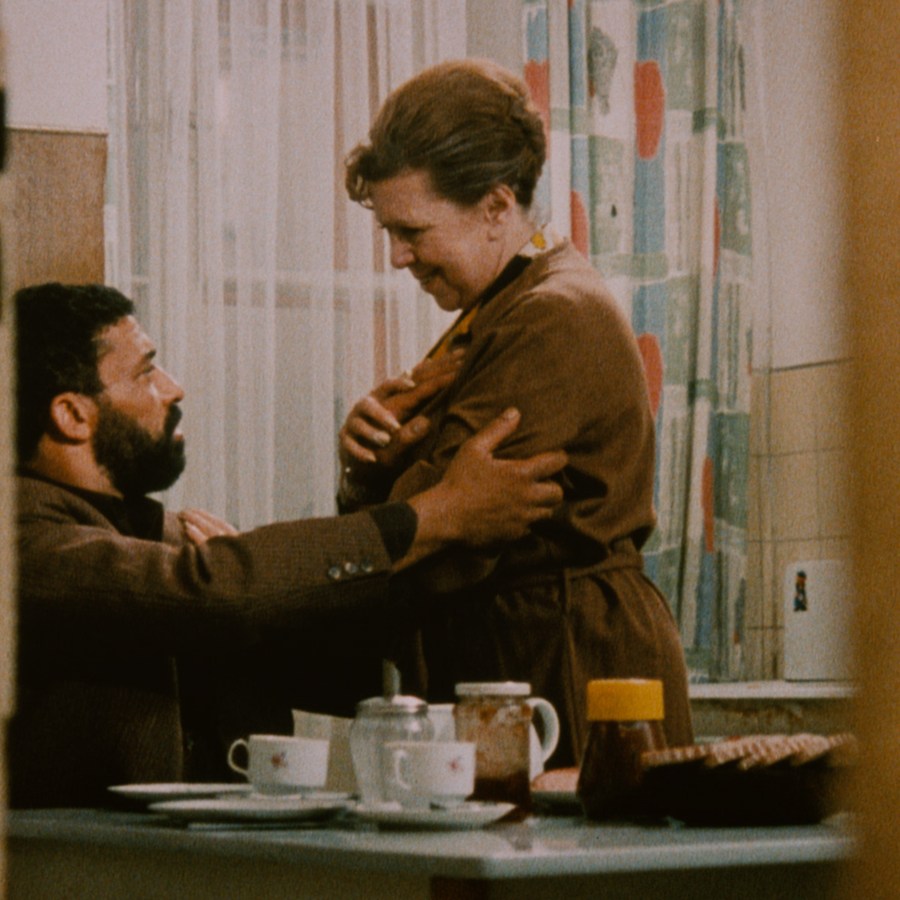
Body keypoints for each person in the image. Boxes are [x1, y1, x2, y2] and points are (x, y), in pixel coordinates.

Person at [11, 281, 567, 807]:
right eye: (146, 371)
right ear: (72, 414)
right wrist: (432, 517)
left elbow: (331, 665)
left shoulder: (157, 534)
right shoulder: (18, 539)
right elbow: (212, 593)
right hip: (82, 862)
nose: (174, 387)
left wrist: (370, 480)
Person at [339, 59, 694, 768]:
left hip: (567, 659)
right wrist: (367, 463)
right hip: (522, 649)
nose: (398, 257)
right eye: (388, 231)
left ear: (497, 207)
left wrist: (378, 494)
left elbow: (440, 528)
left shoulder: (551, 316)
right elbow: (425, 504)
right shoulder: (502, 306)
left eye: (413, 230)